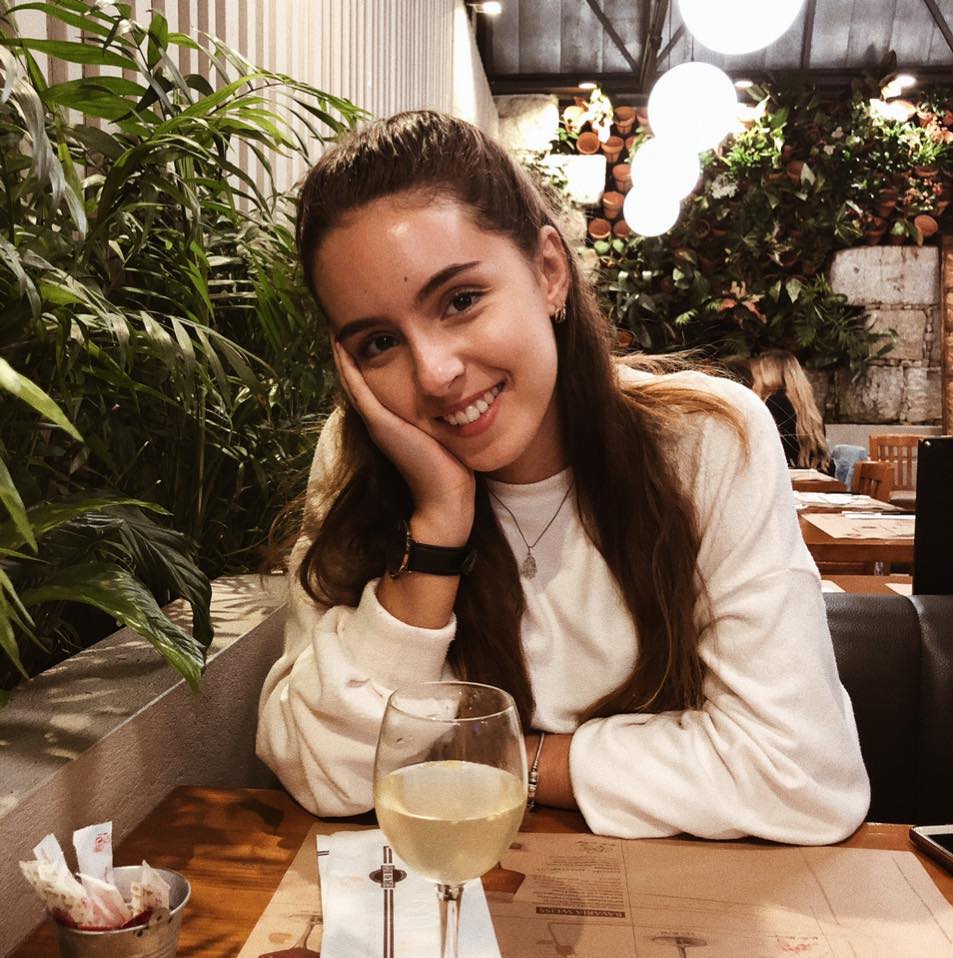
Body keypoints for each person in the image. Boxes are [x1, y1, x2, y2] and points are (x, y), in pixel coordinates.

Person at [256, 111, 869, 843]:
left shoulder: (706, 441)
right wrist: (437, 527)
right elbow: (323, 771)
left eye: (460, 301)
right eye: (379, 342)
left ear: (549, 272)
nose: (435, 374)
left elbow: (802, 776)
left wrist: (505, 762)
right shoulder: (360, 457)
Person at [748, 350, 831, 472]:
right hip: (815, 477)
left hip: (788, 478)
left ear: (767, 378)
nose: (754, 383)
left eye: (756, 377)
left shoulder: (773, 403)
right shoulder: (809, 412)